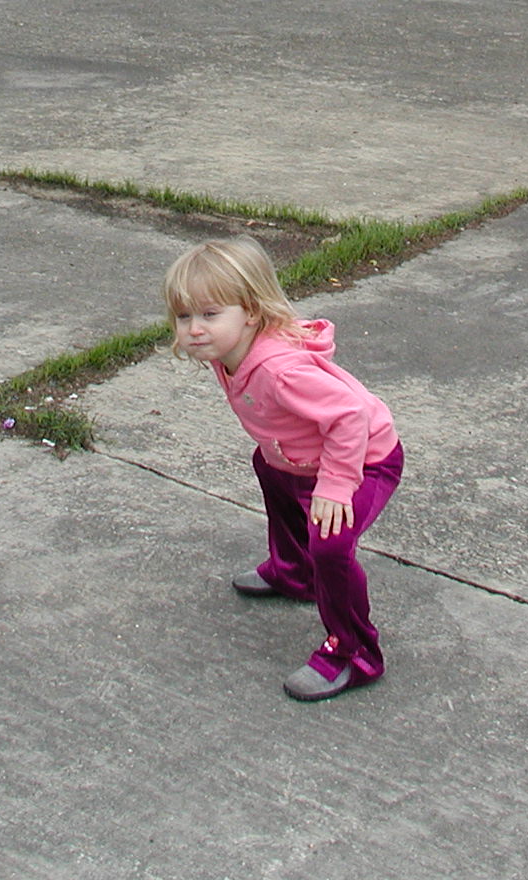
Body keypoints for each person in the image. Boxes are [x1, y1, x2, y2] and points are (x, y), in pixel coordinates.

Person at [163, 237, 404, 701]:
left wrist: (336, 486)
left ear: (251, 312)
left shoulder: (279, 371)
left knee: (331, 544)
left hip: (364, 459)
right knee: (269, 468)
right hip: (298, 457)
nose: (194, 329)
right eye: (184, 316)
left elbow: (350, 415)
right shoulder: (228, 351)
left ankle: (354, 654)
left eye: (210, 314)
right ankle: (295, 573)